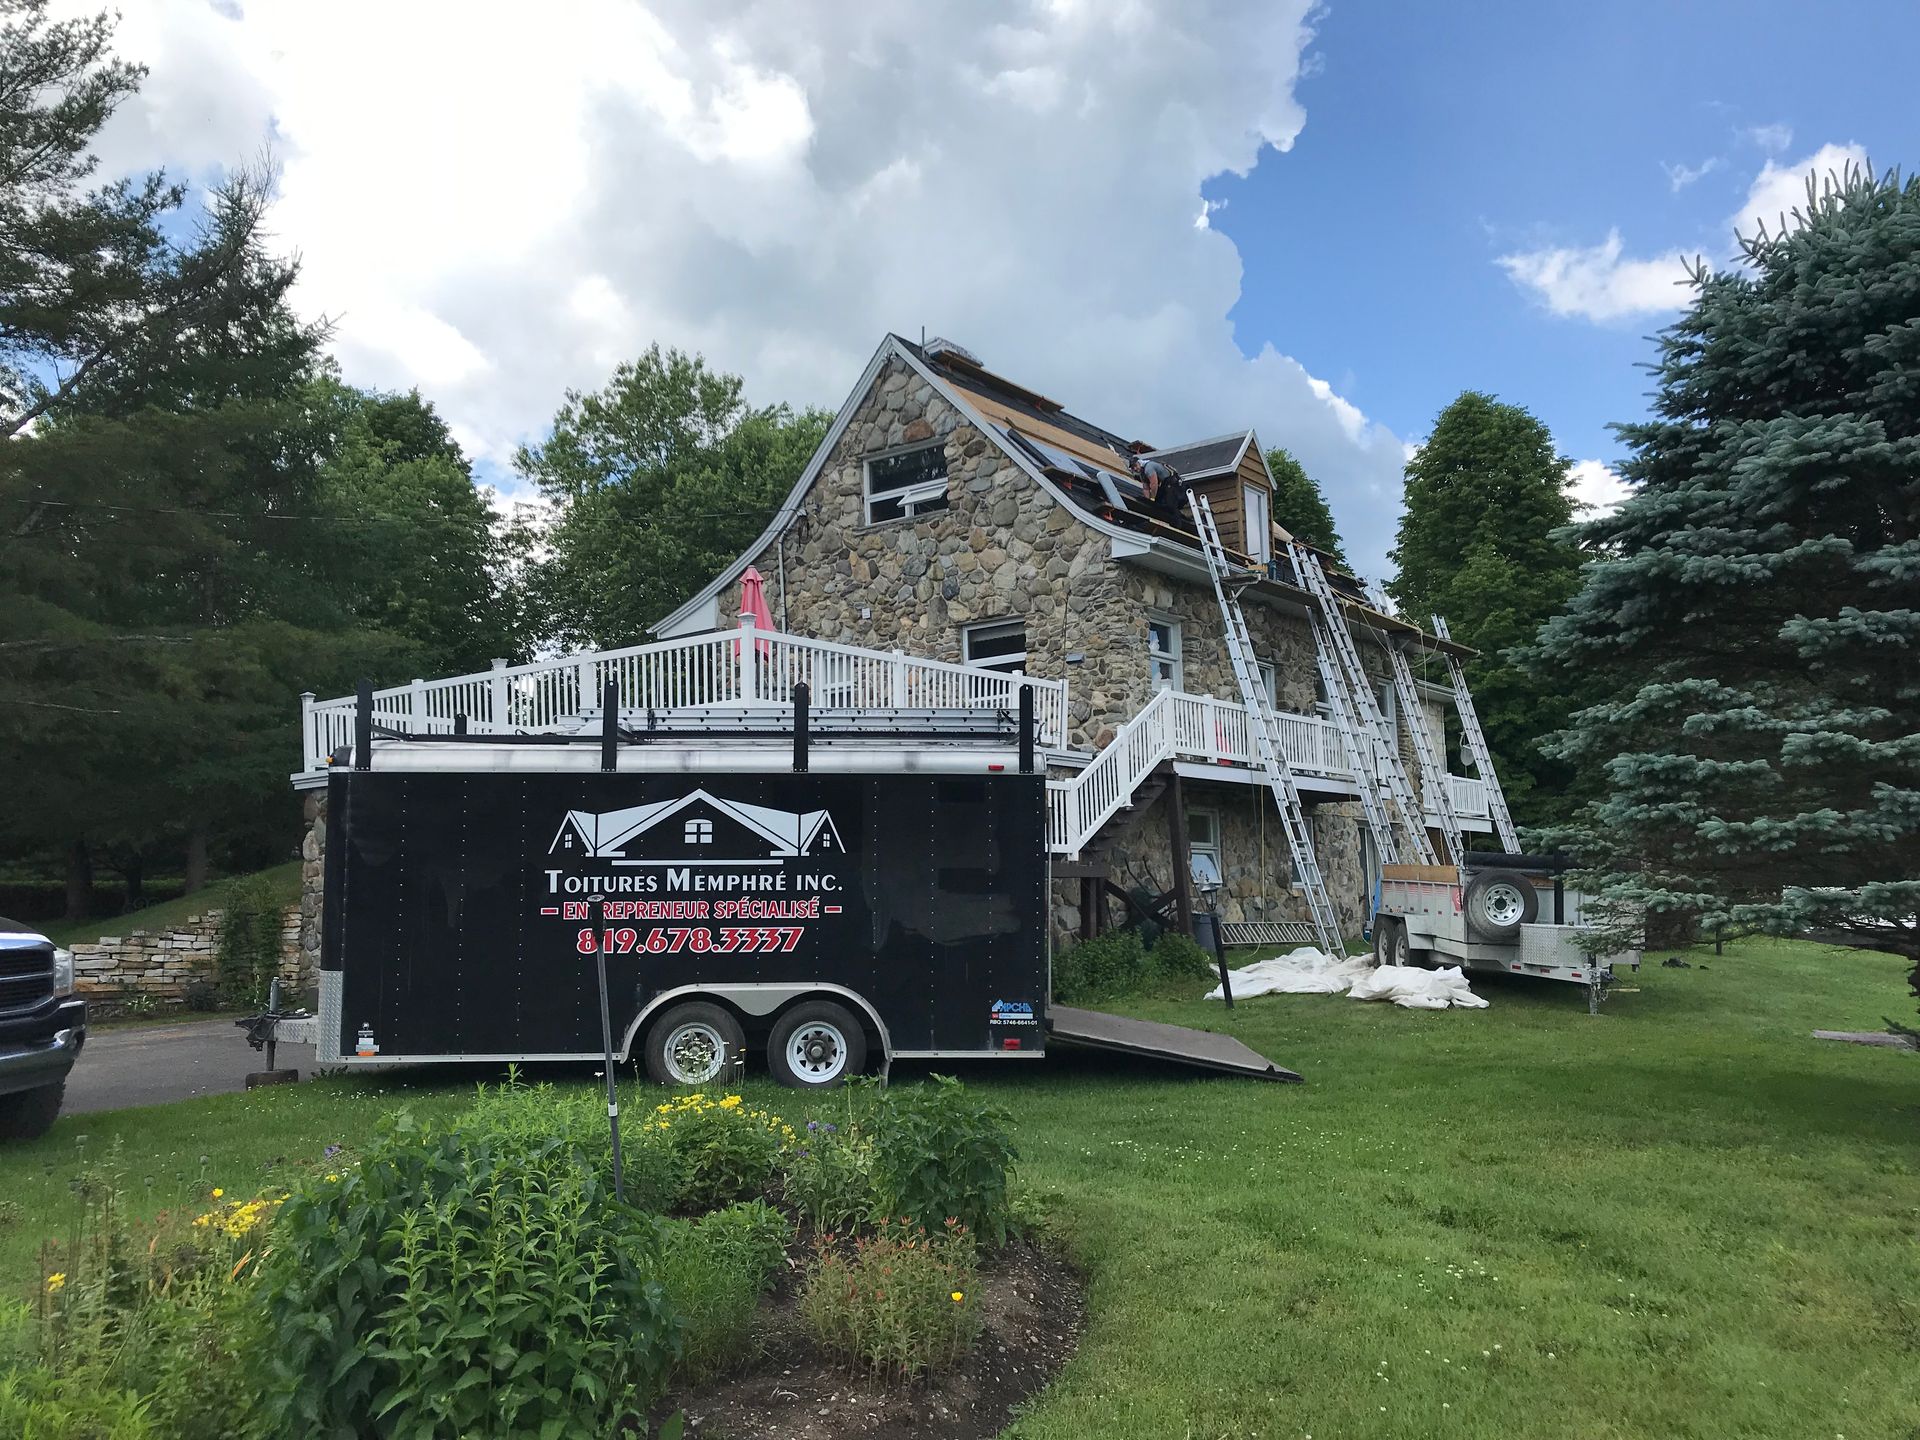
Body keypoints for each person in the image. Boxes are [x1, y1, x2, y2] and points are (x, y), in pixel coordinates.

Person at [1126, 446, 1189, 524]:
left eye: (1135, 466)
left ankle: (1178, 523)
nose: (1135, 469)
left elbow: (1154, 484)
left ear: (1139, 463)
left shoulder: (1148, 468)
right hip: (1164, 485)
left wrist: (1152, 498)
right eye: (1133, 468)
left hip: (1171, 483)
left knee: (1170, 504)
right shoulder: (1142, 474)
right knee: (1159, 504)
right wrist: (1148, 501)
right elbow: (1146, 488)